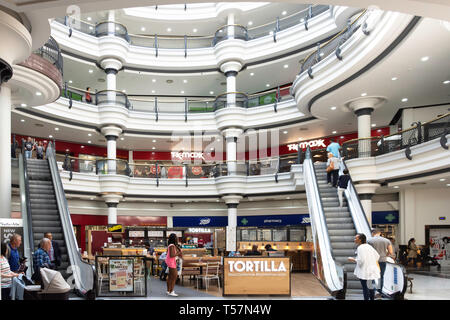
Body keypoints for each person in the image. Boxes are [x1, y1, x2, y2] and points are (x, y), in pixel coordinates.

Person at [348, 233, 380, 300]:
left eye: (356, 238)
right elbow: (377, 256)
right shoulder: (369, 246)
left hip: (364, 271)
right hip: (372, 270)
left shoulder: (360, 248)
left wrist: (353, 259)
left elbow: (361, 260)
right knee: (371, 287)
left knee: (365, 288)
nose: (354, 239)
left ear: (360, 239)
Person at [368, 229, 395, 298]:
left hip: (372, 261)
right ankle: (379, 291)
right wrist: (386, 255)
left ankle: (373, 291)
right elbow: (391, 252)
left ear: (373, 233)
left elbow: (367, 251)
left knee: (372, 276)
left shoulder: (369, 240)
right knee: (381, 276)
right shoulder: (386, 240)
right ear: (380, 233)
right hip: (382, 260)